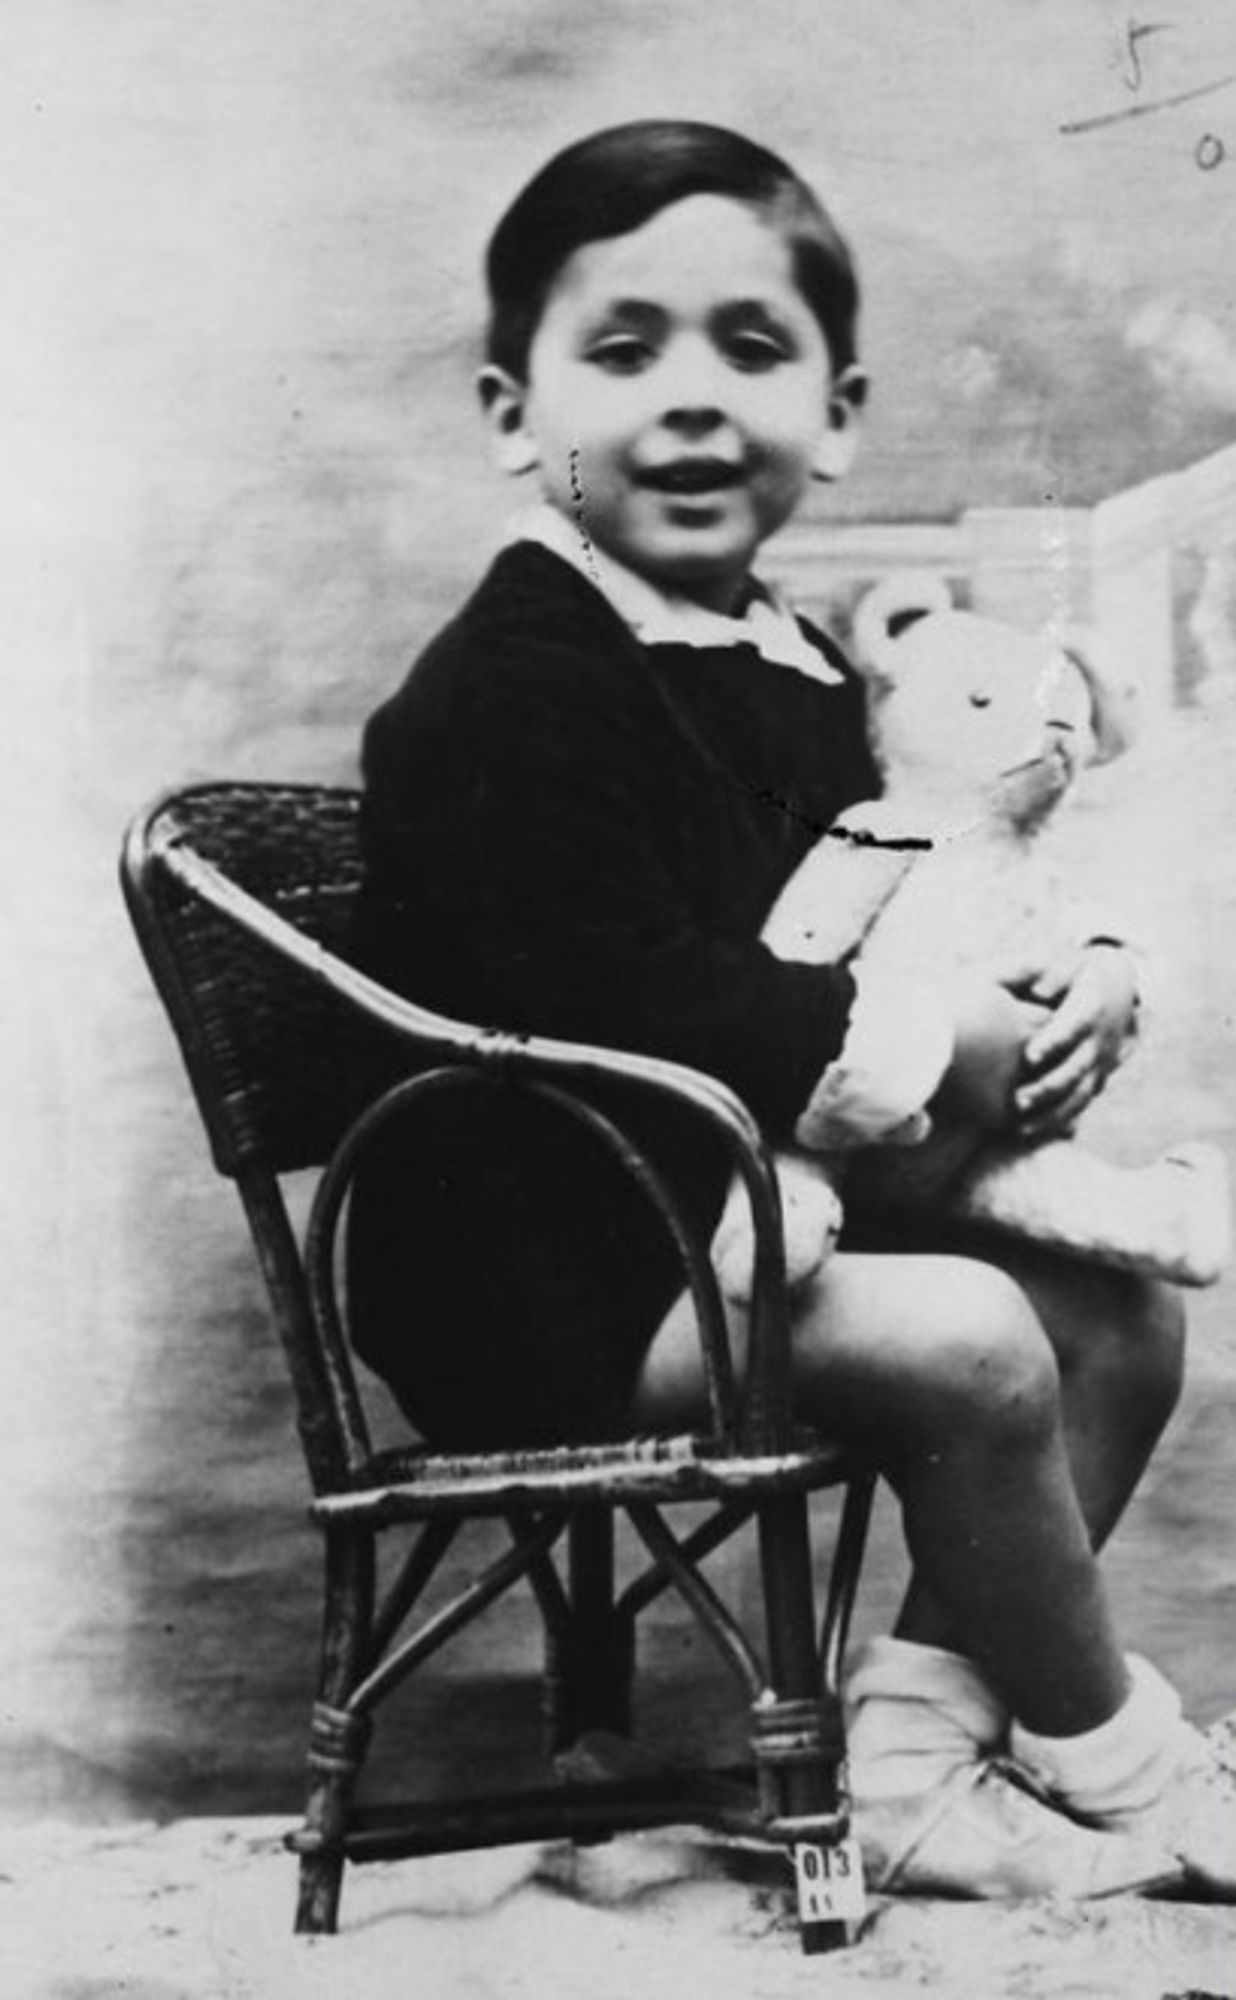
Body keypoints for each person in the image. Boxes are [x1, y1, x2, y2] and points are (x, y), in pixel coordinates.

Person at [348, 119, 1234, 1899]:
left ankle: (905, 1758)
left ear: (834, 416)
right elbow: (632, 987)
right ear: (516, 414)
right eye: (624, 349)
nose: (691, 398)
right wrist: (944, 1048)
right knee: (973, 1343)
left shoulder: (803, 672)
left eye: (751, 350)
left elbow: (949, 865)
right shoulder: (510, 691)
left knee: (1118, 1321)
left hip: (743, 1215)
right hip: (551, 1267)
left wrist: (1077, 984)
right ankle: (1129, 1765)